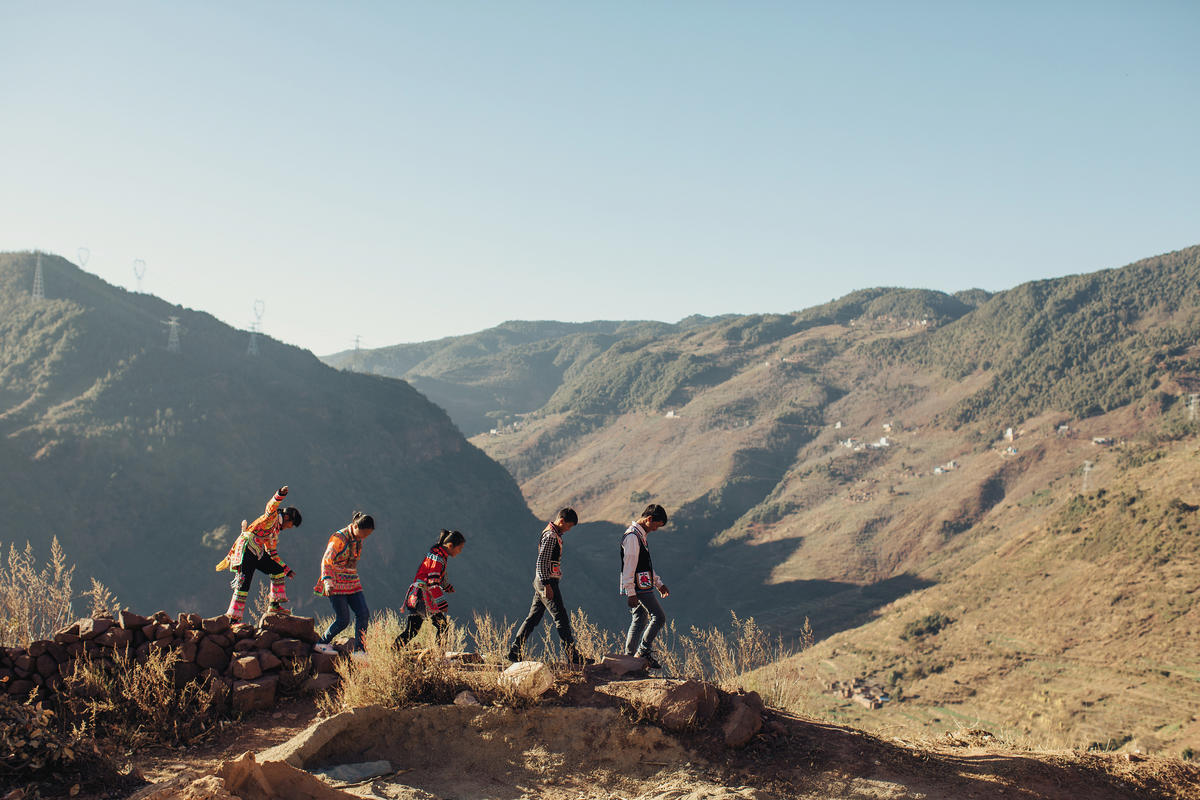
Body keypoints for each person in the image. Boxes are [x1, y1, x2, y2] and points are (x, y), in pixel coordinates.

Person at [506, 508, 592, 666]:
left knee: (533, 618)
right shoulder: (552, 536)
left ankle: (514, 651)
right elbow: (541, 562)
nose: (568, 529)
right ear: (562, 521)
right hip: (547, 582)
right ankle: (572, 655)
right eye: (569, 526)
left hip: (545, 581)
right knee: (561, 618)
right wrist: (547, 584)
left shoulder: (553, 534)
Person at [216, 485, 302, 622]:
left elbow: (272, 554)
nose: (289, 527)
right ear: (286, 517)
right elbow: (270, 506)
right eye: (291, 524)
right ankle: (233, 619)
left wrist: (286, 570)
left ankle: (274, 605)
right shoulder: (272, 517)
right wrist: (279, 495)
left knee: (277, 570)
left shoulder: (275, 532)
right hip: (246, 548)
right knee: (244, 583)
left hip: (257, 552)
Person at [312, 511, 375, 658]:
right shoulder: (338, 538)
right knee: (343, 620)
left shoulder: (358, 539)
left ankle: (360, 650)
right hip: (335, 581)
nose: (364, 536)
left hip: (352, 581)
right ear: (354, 526)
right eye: (363, 532)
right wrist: (327, 581)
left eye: (367, 534)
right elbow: (326, 559)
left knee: (363, 613)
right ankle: (321, 643)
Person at [620, 503, 670, 669]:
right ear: (649, 519)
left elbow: (645, 565)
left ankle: (629, 658)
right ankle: (643, 650)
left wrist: (658, 583)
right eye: (656, 525)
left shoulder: (640, 536)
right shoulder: (633, 537)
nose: (655, 529)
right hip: (638, 587)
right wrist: (631, 591)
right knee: (659, 617)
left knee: (640, 619)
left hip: (643, 584)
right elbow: (629, 565)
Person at [395, 529, 465, 647]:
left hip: (416, 594)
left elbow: (432, 576)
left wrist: (445, 586)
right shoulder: (438, 558)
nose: (460, 551)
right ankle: (439, 657)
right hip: (424, 597)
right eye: (460, 548)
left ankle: (392, 651)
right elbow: (433, 582)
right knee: (443, 626)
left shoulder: (436, 555)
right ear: (450, 545)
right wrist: (441, 603)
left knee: (412, 630)